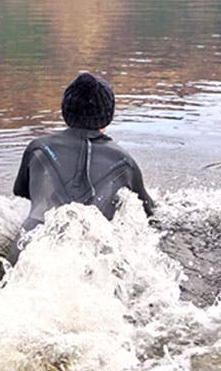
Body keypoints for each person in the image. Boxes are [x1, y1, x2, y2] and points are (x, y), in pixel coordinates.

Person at [9, 72, 155, 261]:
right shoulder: (124, 162)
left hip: (29, 245)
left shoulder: (38, 147)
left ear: (65, 111)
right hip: (88, 253)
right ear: (108, 116)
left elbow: (21, 191)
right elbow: (150, 213)